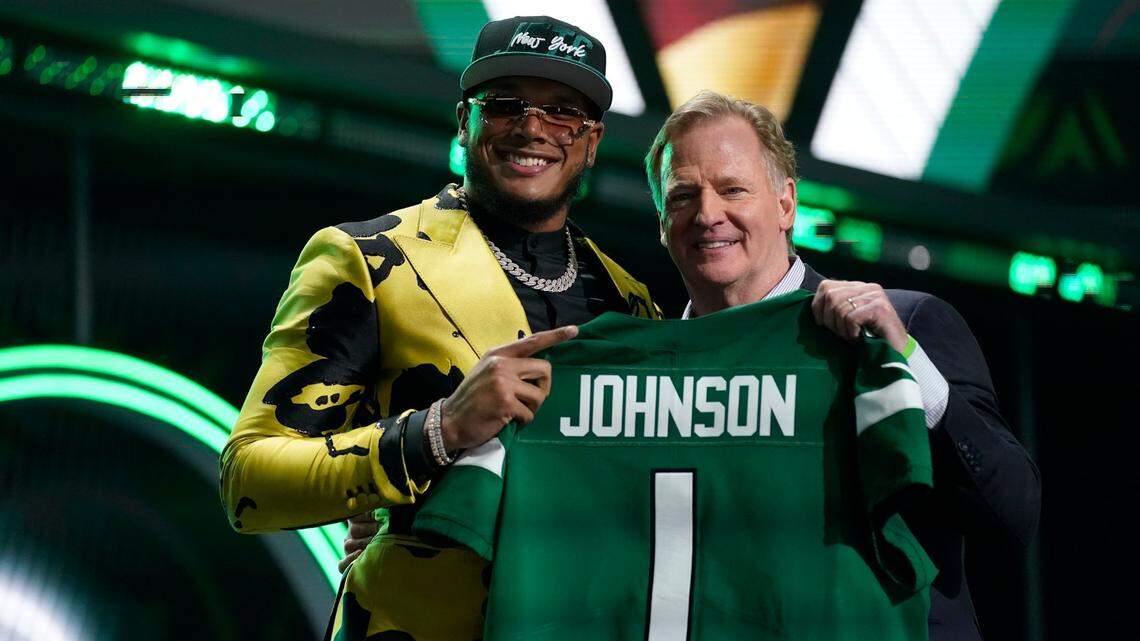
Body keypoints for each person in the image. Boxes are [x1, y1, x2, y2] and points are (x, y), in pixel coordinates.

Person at [219, 15, 662, 641]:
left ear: (592, 141)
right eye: (505, 104)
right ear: (465, 122)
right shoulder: (370, 258)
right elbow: (249, 482)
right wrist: (437, 433)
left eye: (563, 112)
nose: (532, 127)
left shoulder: (631, 304)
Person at [643, 90, 1041, 640]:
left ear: (786, 204)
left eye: (733, 189)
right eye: (683, 195)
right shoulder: (645, 378)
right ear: (662, 220)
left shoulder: (906, 325)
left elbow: (1012, 513)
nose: (708, 214)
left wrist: (904, 359)